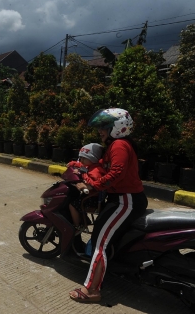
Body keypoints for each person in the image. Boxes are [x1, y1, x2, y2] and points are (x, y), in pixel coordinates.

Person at [69, 108, 148, 303]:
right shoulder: (115, 145)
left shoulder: (119, 145)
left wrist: (92, 186)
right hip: (121, 198)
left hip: (125, 200)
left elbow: (116, 174)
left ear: (117, 127)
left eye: (104, 127)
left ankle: (92, 290)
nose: (100, 131)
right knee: (102, 238)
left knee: (100, 243)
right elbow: (102, 168)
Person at [66, 143, 106, 230]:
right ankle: (84, 220)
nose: (81, 160)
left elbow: (93, 183)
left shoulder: (95, 171)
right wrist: (73, 163)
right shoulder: (92, 166)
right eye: (80, 158)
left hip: (92, 198)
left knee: (72, 205)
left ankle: (77, 226)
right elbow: (82, 165)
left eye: (84, 158)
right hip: (91, 196)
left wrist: (83, 175)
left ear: (93, 158)